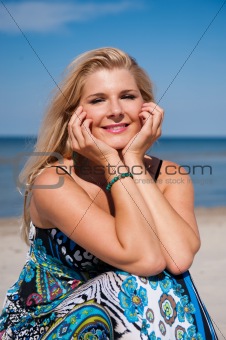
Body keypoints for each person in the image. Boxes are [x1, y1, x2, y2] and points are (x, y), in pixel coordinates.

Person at [0, 47, 218, 340]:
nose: (116, 110)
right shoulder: (54, 182)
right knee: (139, 282)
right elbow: (145, 260)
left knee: (168, 282)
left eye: (128, 96)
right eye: (98, 100)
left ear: (146, 106)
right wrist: (111, 161)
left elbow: (178, 259)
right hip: (49, 322)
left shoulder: (169, 176)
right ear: (74, 115)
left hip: (128, 322)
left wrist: (134, 164)